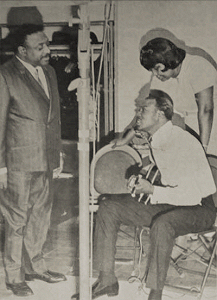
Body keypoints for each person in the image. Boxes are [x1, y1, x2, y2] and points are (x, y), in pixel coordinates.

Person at [71, 88, 216, 300]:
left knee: (163, 224)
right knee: (109, 207)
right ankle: (107, 280)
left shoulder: (182, 141)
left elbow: (191, 196)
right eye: (139, 109)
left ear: (160, 114)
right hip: (172, 202)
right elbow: (167, 179)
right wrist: (140, 177)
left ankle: (155, 294)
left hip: (200, 208)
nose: (138, 113)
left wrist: (152, 189)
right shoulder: (157, 139)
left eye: (144, 109)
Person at [0, 24, 66, 297]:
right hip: (17, 161)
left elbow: (54, 118)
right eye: (41, 47)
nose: (48, 50)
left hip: (46, 158)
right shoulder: (5, 75)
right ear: (21, 51)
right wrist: (0, 166)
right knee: (16, 220)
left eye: (46, 44)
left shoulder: (49, 72)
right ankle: (14, 276)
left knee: (41, 216)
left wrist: (57, 152)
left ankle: (35, 266)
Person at [140, 37, 217, 155]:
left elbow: (206, 110)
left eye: (157, 68)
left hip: (211, 127)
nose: (155, 74)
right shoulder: (164, 78)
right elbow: (152, 109)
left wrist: (203, 148)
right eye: (152, 70)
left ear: (169, 60)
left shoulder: (197, 66)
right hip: (191, 127)